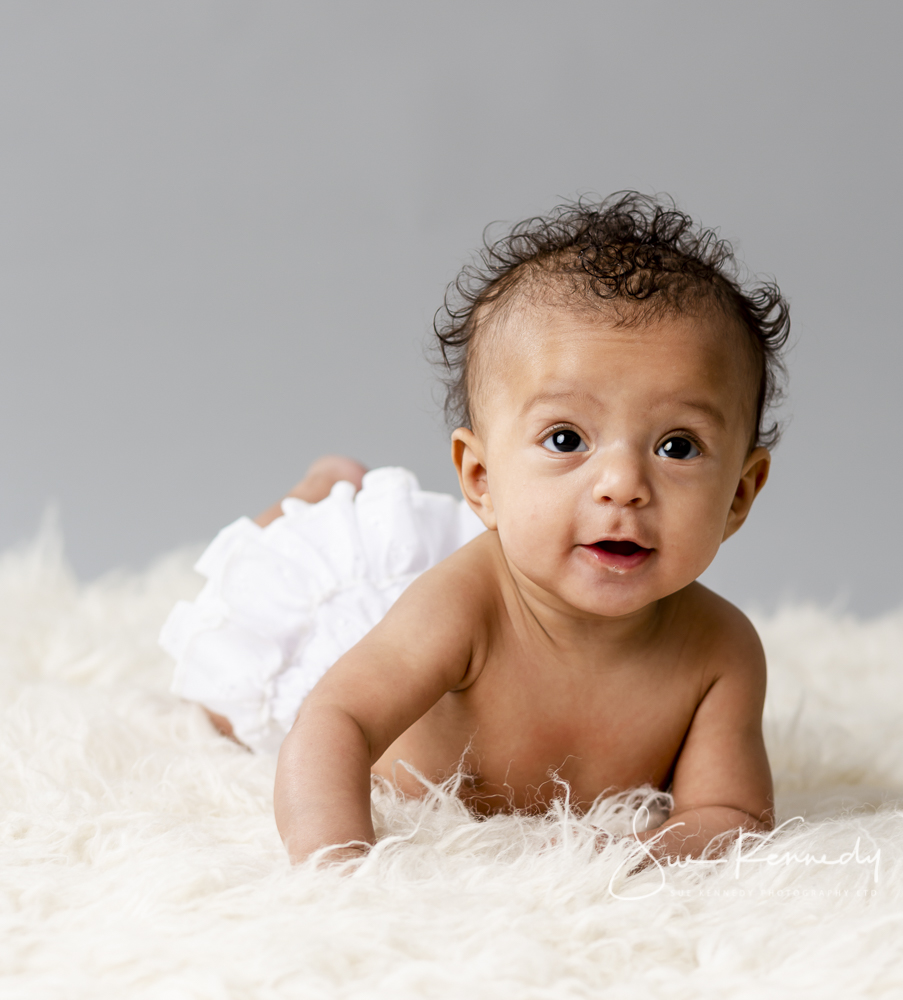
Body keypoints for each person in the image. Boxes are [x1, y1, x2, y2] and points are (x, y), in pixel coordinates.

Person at [160, 192, 789, 865]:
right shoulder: (465, 605)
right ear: (481, 478)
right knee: (245, 652)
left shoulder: (721, 652)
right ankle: (323, 490)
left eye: (677, 447)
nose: (623, 485)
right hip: (336, 643)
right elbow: (333, 720)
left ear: (740, 495)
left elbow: (730, 812)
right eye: (567, 437)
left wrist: (639, 852)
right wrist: (337, 862)